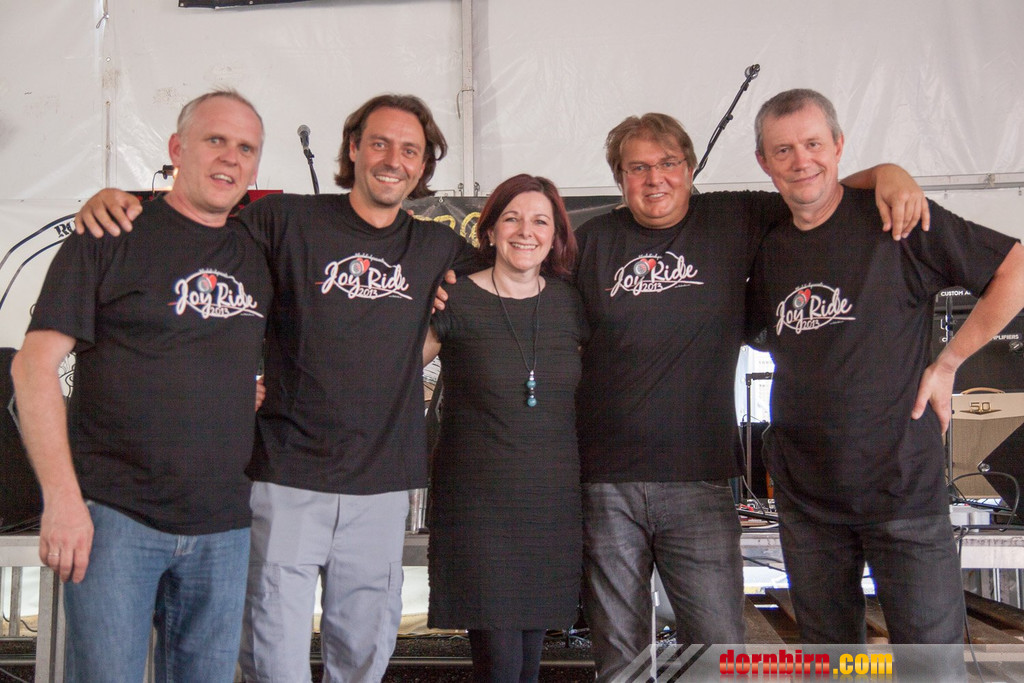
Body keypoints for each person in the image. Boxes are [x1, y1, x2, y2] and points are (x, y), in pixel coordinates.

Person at [74, 93, 479, 682]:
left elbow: (511, 272)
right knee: (271, 656)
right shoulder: (286, 219)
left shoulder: (438, 247)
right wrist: (122, 202)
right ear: (354, 149)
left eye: (410, 150)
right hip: (286, 475)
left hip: (382, 483)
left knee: (364, 655)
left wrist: (437, 331)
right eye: (380, 143)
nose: (394, 160)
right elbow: (196, 226)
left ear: (423, 165)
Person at [570, 111, 928, 680]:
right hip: (604, 481)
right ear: (619, 178)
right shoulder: (588, 242)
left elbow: (811, 188)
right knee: (620, 658)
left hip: (702, 480)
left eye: (668, 163)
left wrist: (887, 173)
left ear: (690, 169)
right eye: (637, 168)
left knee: (717, 651)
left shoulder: (732, 216)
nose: (655, 178)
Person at [746, 88, 1024, 646]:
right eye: (783, 150)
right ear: (763, 162)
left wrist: (949, 363)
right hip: (807, 499)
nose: (801, 161)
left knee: (931, 664)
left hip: (902, 493)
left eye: (813, 144)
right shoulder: (767, 244)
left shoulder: (895, 219)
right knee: (832, 664)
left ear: (838, 145)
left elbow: (1014, 269)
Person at [11, 90, 271, 682]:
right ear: (177, 148)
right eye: (215, 140)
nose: (230, 158)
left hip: (224, 526)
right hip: (114, 519)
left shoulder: (260, 251)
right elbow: (32, 367)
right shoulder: (110, 233)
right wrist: (62, 500)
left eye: (246, 148)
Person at [422, 174, 586, 682]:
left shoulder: (569, 303)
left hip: (550, 504)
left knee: (530, 664)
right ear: (490, 230)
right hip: (479, 507)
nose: (525, 231)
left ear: (555, 236)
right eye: (511, 219)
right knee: (499, 665)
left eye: (540, 221)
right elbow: (392, 374)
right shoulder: (454, 299)